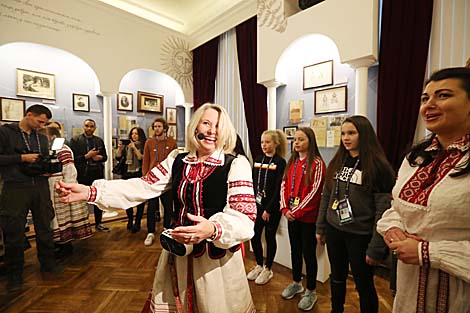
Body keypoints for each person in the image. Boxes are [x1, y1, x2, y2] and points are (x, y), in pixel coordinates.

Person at [57, 103, 257, 312]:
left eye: (218, 126)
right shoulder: (178, 160)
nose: (211, 131)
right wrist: (92, 192)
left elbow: (244, 215)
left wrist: (213, 229)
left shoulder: (235, 164)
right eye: (206, 123)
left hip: (215, 260)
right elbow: (144, 185)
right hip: (179, 252)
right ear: (195, 127)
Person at [377, 67, 470, 312]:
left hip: (458, 293)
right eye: (424, 98)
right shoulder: (416, 157)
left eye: (443, 95)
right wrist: (394, 229)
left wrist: (427, 252)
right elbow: (396, 208)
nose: (428, 105)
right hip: (409, 288)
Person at [315, 116, 395, 313]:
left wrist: (376, 247)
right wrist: (320, 226)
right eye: (343, 133)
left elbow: (383, 210)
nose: (345, 138)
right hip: (335, 230)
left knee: (364, 284)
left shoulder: (377, 166)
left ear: (364, 135)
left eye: (351, 133)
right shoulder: (338, 161)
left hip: (360, 236)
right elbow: (326, 195)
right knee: (337, 278)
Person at [0, 104, 59, 290]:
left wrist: (47, 168)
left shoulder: (41, 138)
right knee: (14, 232)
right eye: (40, 121)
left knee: (45, 226)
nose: (42, 126)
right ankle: (15, 274)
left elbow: (42, 160)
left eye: (45, 123)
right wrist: (21, 159)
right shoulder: (6, 133)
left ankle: (48, 264)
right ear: (29, 115)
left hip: (39, 186)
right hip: (15, 187)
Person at [279, 127, 326, 311]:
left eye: (301, 139)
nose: (296, 142)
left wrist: (296, 211)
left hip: (308, 219)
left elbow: (315, 193)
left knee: (309, 254)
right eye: (295, 140)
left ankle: (311, 290)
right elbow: (283, 185)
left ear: (310, 141)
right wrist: (284, 208)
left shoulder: (317, 163)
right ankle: (296, 282)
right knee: (295, 251)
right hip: (291, 217)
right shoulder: (292, 162)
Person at [40, 126, 92, 256]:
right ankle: (58, 243)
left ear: (52, 137)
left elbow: (69, 170)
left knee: (62, 217)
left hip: (60, 186)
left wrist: (67, 187)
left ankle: (65, 245)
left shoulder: (62, 149)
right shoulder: (51, 148)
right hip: (52, 185)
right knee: (55, 217)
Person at [246, 130, 287, 285]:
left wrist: (268, 209)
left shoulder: (280, 162)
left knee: (269, 238)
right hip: (257, 206)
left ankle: (268, 268)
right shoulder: (257, 159)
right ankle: (258, 264)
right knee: (255, 235)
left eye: (267, 142)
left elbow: (278, 189)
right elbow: (252, 182)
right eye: (262, 142)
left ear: (275, 143)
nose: (264, 145)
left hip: (272, 208)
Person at [142, 117, 177, 245]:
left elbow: (174, 161)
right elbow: (145, 161)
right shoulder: (149, 143)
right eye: (155, 126)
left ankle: (166, 229)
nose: (156, 129)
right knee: (151, 207)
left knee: (168, 206)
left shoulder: (172, 142)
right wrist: (145, 177)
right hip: (152, 179)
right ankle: (150, 232)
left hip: (167, 179)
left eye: (159, 126)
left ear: (165, 128)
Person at [69, 119, 109, 232]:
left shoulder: (99, 141)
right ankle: (83, 225)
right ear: (83, 126)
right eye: (87, 126)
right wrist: (87, 156)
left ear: (95, 128)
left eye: (91, 126)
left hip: (97, 174)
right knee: (81, 201)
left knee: (98, 200)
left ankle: (98, 223)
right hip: (82, 174)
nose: (89, 128)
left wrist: (99, 158)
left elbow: (105, 157)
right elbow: (74, 159)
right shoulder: (75, 140)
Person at [115, 127, 147, 232]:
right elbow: (118, 157)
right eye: (132, 133)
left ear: (140, 135)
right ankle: (129, 220)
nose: (134, 136)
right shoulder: (127, 146)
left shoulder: (143, 145)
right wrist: (120, 148)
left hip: (138, 174)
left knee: (139, 200)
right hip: (127, 174)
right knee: (127, 199)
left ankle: (137, 222)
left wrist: (134, 148)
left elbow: (141, 158)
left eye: (136, 134)